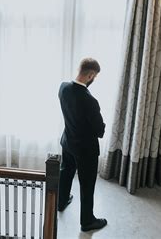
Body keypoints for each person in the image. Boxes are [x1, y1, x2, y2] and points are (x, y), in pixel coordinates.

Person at [57, 58, 107, 232]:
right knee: (87, 184)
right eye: (94, 77)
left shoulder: (63, 87)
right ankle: (87, 221)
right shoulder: (89, 100)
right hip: (85, 149)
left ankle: (61, 202)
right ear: (90, 75)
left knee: (66, 172)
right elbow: (100, 131)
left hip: (68, 142)